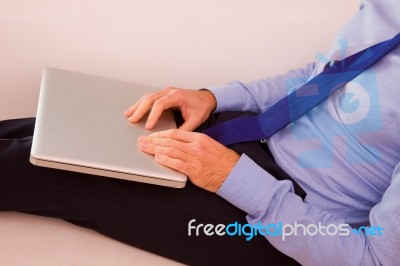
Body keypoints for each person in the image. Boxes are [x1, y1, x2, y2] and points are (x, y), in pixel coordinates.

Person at [1, 0, 399, 265]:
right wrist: (215, 97)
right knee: (42, 138)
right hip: (247, 137)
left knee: (24, 166)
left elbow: (374, 259)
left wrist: (233, 178)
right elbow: (322, 75)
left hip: (289, 217)